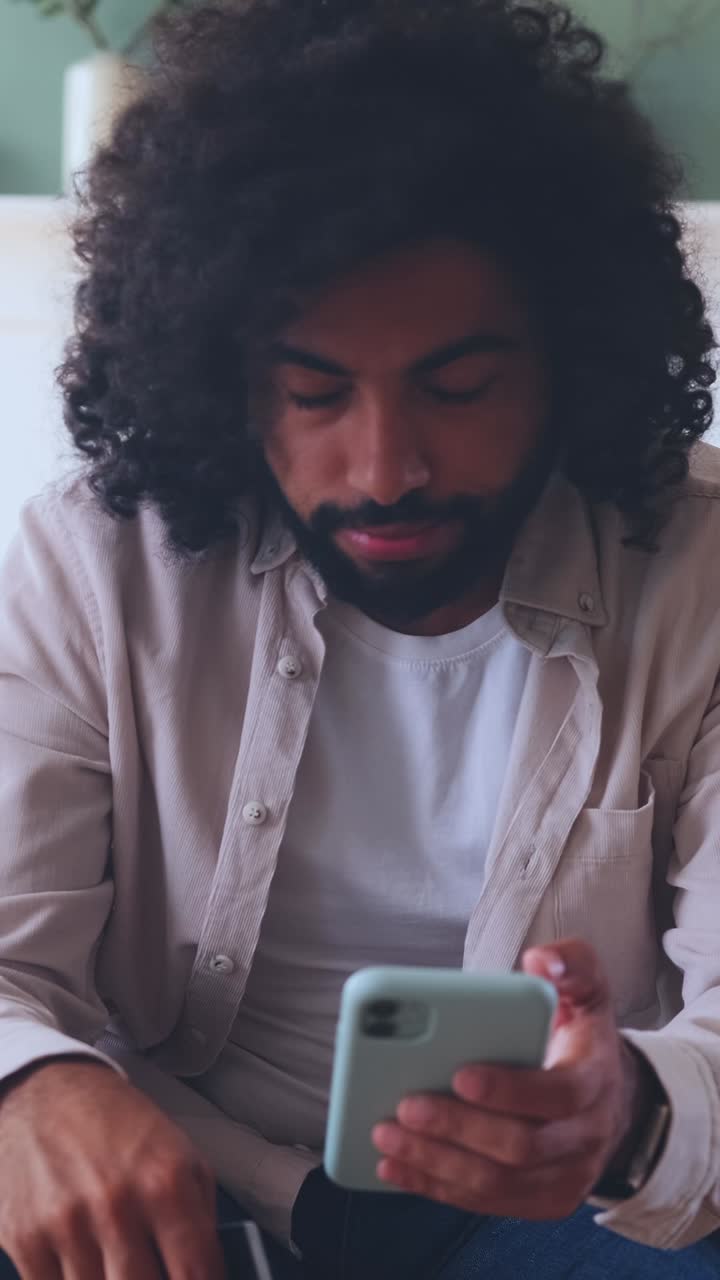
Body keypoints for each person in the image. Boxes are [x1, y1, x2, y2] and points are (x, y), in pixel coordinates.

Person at [1, 0, 720, 1275]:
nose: (386, 469)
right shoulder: (94, 561)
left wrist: (631, 1118)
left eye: (459, 385)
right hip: (193, 1162)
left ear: (569, 362)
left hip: (574, 1201)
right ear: (224, 380)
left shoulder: (700, 570)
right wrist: (31, 1081)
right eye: (314, 391)